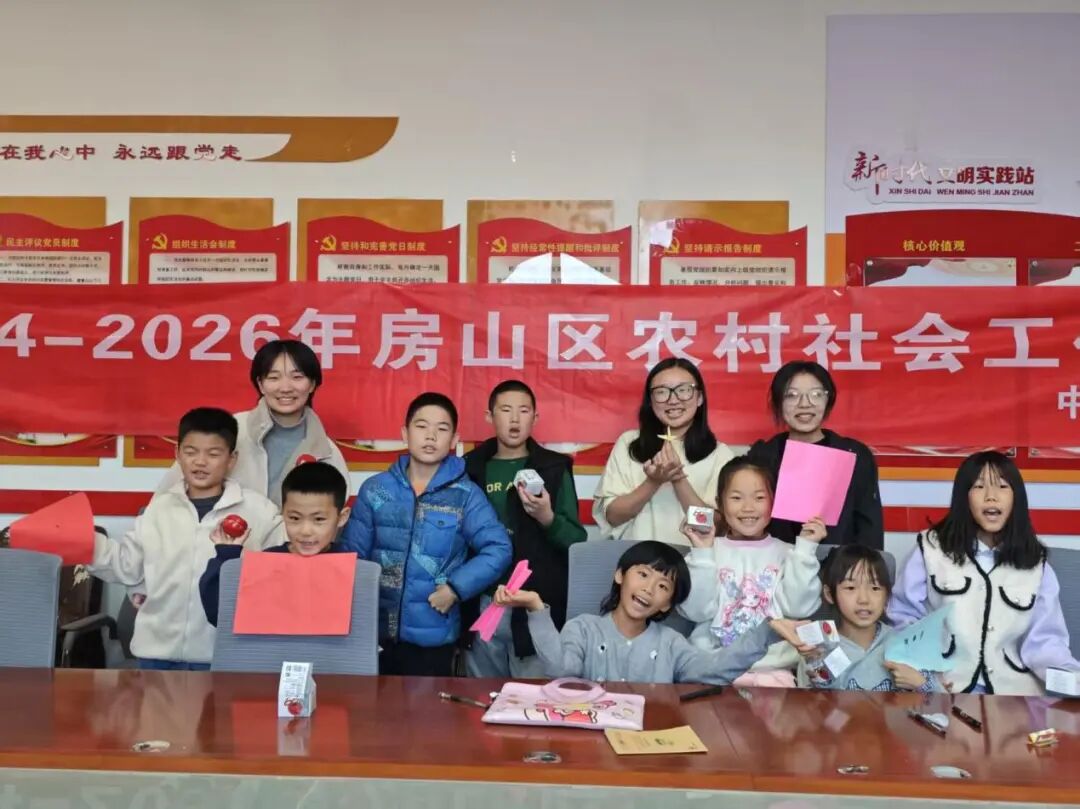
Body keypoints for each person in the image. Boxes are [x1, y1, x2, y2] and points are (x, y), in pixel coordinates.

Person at [88, 408, 282, 669]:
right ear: (177, 454)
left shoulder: (259, 512)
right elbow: (127, 565)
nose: (200, 462)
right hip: (155, 656)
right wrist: (80, 541)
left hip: (222, 657)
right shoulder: (159, 508)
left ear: (232, 459)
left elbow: (282, 572)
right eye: (191, 452)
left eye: (213, 454)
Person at [341, 392, 512, 676]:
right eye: (421, 426)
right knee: (371, 705)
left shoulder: (465, 495)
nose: (430, 436)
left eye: (441, 429)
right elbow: (352, 557)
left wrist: (456, 589)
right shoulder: (376, 490)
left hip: (434, 635)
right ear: (404, 434)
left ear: (454, 440)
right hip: (374, 631)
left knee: (428, 706)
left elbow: (499, 548)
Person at [888, 451, 1080, 695]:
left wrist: (1073, 680)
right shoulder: (930, 550)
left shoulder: (1035, 563)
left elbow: (1045, 643)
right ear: (964, 497)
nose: (991, 496)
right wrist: (923, 676)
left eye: (1002, 486)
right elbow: (903, 619)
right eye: (979, 487)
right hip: (943, 689)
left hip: (1014, 695)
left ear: (1016, 498)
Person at [494, 540, 813, 684]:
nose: (648, 589)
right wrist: (536, 609)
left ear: (667, 604)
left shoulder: (671, 644)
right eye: (643, 574)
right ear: (620, 575)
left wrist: (766, 631)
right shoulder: (583, 628)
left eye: (662, 586)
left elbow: (714, 670)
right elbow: (560, 670)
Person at [462, 380, 587, 678]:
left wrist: (546, 517)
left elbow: (576, 540)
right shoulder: (469, 467)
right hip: (483, 598)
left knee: (534, 692)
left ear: (536, 417)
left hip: (535, 600)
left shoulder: (553, 467)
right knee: (481, 689)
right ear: (489, 416)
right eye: (506, 410)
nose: (515, 419)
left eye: (524, 410)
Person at [678, 457, 825, 686]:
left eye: (759, 498)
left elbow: (800, 607)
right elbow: (696, 611)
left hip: (774, 673)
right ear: (719, 503)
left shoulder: (791, 553)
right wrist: (703, 552)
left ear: (774, 502)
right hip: (713, 671)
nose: (748, 507)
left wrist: (806, 548)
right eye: (736, 498)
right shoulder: (707, 551)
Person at [157, 340, 349, 507]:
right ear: (260, 384)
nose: (285, 387)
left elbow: (333, 518)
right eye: (273, 378)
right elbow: (170, 493)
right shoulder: (231, 430)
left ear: (312, 384)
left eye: (297, 377)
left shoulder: (326, 451)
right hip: (220, 537)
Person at [593, 358, 734, 544]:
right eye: (661, 392)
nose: (673, 400)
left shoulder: (720, 454)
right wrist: (653, 482)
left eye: (684, 390)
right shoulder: (629, 443)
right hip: (637, 557)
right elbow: (613, 517)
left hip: (693, 557)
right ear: (650, 401)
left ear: (699, 397)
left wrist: (678, 478)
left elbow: (715, 526)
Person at [748, 360, 883, 548]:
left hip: (839, 563)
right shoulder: (762, 456)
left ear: (829, 399)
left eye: (816, 394)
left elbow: (869, 526)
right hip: (776, 563)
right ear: (778, 402)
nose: (805, 404)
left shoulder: (854, 455)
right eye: (792, 395)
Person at [199, 461, 352, 626]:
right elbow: (220, 615)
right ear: (283, 513)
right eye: (295, 518)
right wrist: (226, 554)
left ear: (342, 517)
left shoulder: (355, 569)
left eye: (319, 519)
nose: (306, 530)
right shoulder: (267, 563)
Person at [798, 545, 945, 692]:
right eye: (850, 588)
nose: (864, 599)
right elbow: (809, 702)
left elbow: (942, 702)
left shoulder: (904, 644)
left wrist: (920, 684)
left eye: (875, 588)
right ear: (829, 594)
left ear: (887, 596)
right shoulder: (818, 648)